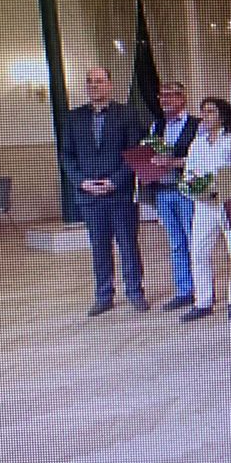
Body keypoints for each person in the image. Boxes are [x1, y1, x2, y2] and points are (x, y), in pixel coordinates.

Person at [59, 66, 149, 316]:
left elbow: (135, 153)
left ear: (110, 84)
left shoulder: (127, 113)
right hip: (89, 195)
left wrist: (115, 181)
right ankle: (104, 295)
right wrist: (81, 182)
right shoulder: (73, 117)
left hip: (120, 193)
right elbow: (66, 155)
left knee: (127, 244)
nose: (94, 85)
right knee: (99, 247)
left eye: (99, 81)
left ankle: (135, 292)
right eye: (89, 81)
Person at [182, 97, 231, 322]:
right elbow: (189, 172)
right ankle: (203, 301)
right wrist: (194, 186)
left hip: (229, 202)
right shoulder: (197, 143)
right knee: (198, 252)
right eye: (203, 111)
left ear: (222, 114)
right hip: (204, 205)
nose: (205, 116)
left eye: (210, 111)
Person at [148, 81, 202, 311]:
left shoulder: (197, 125)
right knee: (176, 244)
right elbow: (150, 154)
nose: (165, 99)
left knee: (194, 242)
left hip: (186, 190)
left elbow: (201, 159)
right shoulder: (156, 125)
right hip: (162, 190)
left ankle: (202, 291)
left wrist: (173, 162)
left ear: (183, 98)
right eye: (162, 96)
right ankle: (184, 291)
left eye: (171, 95)